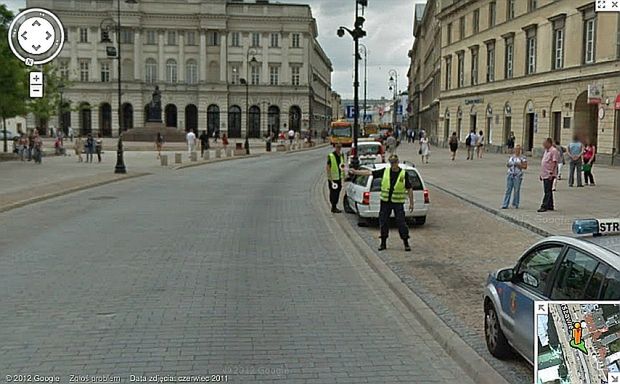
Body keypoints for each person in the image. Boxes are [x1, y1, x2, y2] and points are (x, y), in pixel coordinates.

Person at [350, 154, 414, 251]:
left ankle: (406, 242)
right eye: (391, 163)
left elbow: (409, 188)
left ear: (397, 162)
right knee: (383, 222)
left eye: (394, 162)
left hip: (398, 202)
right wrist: (356, 172)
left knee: (401, 222)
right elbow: (370, 173)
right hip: (385, 202)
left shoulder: (404, 174)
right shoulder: (385, 171)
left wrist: (411, 202)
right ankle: (383, 243)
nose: (393, 164)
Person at [501, 145, 527, 209]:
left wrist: (519, 165)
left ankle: (515, 203)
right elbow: (508, 164)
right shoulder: (512, 157)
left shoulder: (522, 158)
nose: (516, 151)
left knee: (516, 190)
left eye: (518, 150)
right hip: (510, 174)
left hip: (517, 175)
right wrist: (509, 165)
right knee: (508, 190)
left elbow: (525, 166)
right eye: (515, 149)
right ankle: (505, 204)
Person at [538, 138, 559, 213]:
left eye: (544, 143)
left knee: (547, 191)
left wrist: (551, 173)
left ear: (549, 143)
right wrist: (541, 174)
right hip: (544, 173)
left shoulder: (553, 151)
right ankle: (550, 205)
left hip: (549, 174)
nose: (543, 145)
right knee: (548, 190)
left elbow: (554, 162)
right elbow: (544, 162)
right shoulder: (546, 151)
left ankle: (544, 206)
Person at [326, 143, 346, 213]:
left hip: (339, 178)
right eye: (337, 147)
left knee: (338, 192)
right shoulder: (331, 156)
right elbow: (328, 167)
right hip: (333, 179)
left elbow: (342, 166)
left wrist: (344, 175)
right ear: (335, 147)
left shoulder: (341, 155)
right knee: (333, 193)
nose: (339, 148)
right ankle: (333, 207)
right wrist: (329, 177)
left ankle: (334, 206)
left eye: (340, 147)